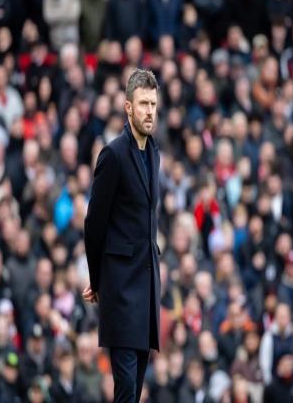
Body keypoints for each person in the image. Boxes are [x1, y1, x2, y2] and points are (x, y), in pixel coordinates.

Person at [83, 69, 161, 403]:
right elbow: (93, 223)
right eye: (143, 103)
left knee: (133, 391)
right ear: (128, 107)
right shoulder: (113, 154)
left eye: (153, 104)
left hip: (146, 292)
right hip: (120, 291)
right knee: (126, 391)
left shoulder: (154, 153)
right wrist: (96, 280)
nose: (149, 111)